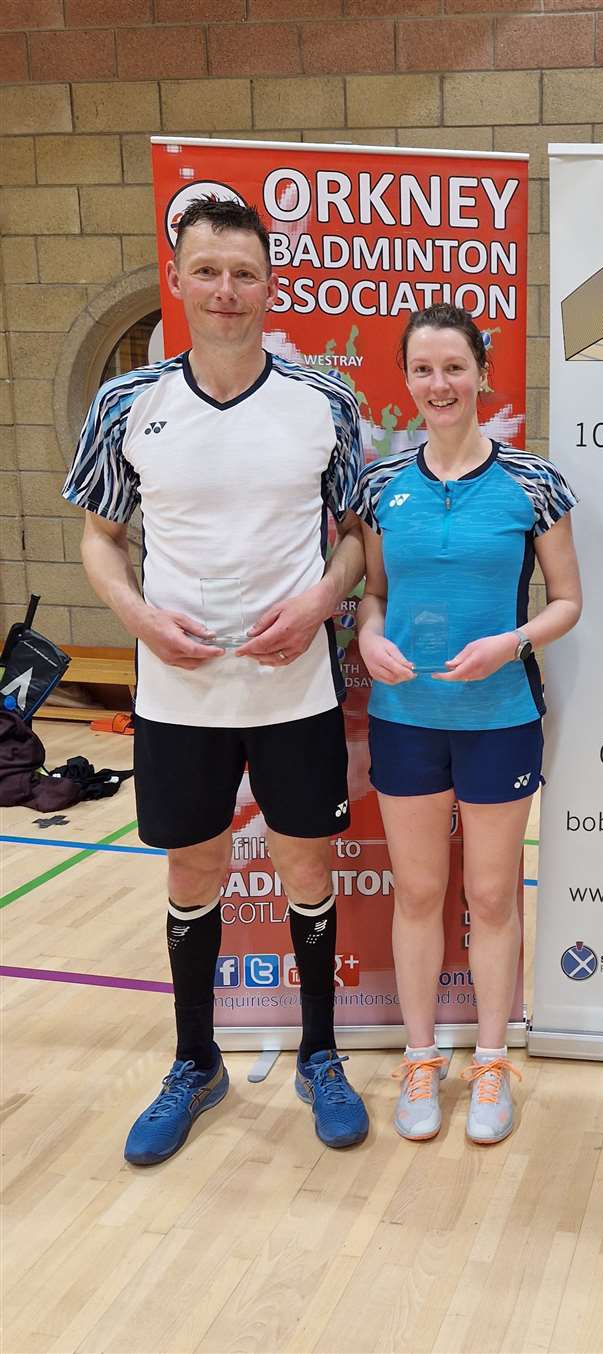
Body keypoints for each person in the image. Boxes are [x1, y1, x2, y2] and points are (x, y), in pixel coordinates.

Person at [63, 196, 369, 1164]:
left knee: (306, 867)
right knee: (193, 869)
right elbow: (100, 539)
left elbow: (357, 536)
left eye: (245, 272)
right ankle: (196, 1061)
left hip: (295, 690)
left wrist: (323, 602)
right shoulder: (128, 405)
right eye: (208, 271)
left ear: (269, 282)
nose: (227, 290)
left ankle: (321, 1052)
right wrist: (141, 619)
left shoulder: (324, 403)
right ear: (179, 278)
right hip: (178, 692)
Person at [356, 304, 581, 1145]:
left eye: (455, 367)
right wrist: (369, 632)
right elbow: (373, 591)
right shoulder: (382, 485)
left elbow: (568, 601)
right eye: (423, 370)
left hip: (500, 717)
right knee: (418, 892)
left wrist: (510, 642)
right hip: (406, 717)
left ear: (482, 374)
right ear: (406, 380)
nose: (440, 385)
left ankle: (491, 1061)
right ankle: (422, 1057)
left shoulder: (533, 484)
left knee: (490, 895)